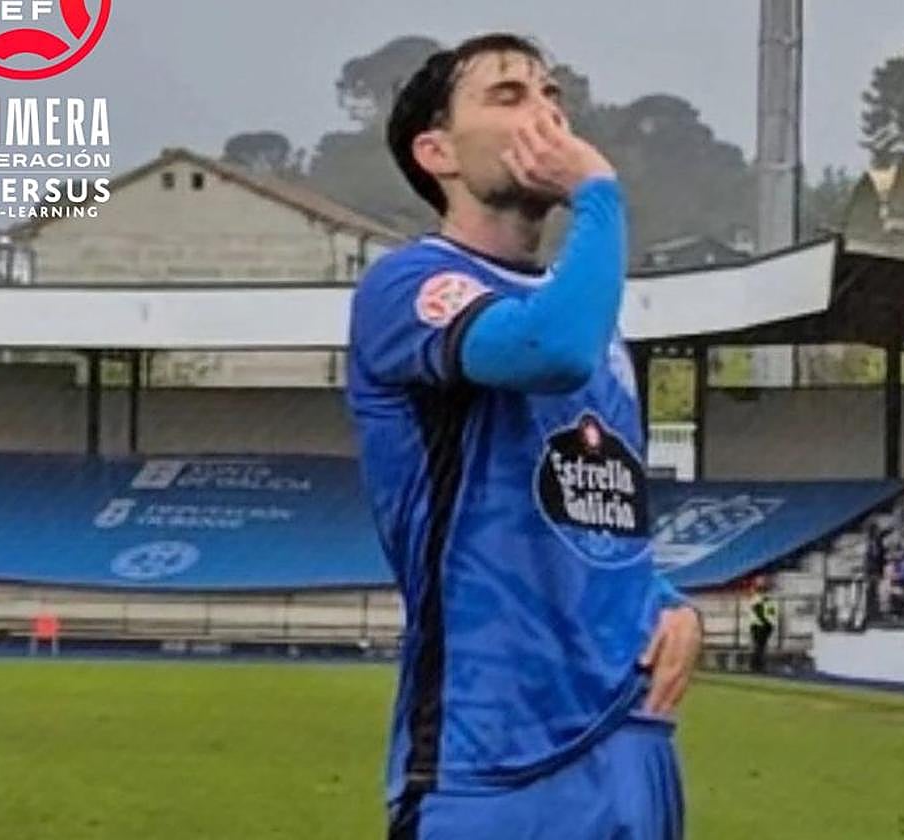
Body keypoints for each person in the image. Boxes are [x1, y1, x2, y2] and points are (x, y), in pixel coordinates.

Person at [345, 33, 702, 839]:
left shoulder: (594, 314)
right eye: (507, 96)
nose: (545, 115)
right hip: (495, 756)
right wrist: (599, 193)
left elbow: (600, 511)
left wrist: (670, 603)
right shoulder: (407, 285)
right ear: (435, 150)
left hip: (630, 732)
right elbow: (546, 349)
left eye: (553, 97)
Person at [746, 581, 778, 673]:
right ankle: (756, 666)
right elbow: (759, 611)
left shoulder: (764, 599)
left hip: (762, 624)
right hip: (759, 625)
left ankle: (757, 665)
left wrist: (770, 623)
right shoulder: (758, 599)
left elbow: (771, 612)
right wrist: (768, 622)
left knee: (760, 646)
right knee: (759, 646)